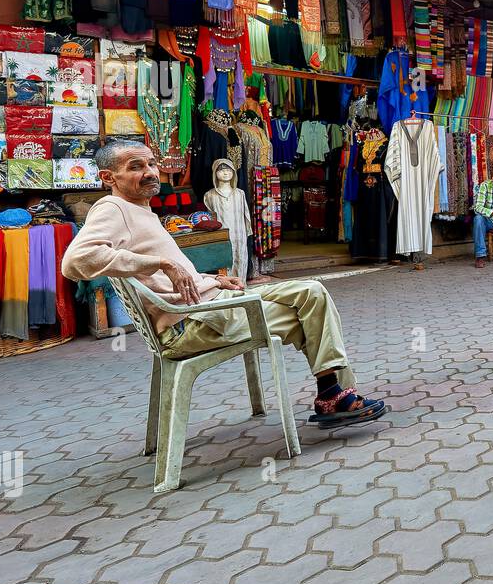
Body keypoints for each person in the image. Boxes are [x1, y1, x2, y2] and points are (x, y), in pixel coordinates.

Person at [62, 140, 386, 427]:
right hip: (191, 325)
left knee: (312, 292)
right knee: (309, 317)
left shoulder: (138, 210)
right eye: (136, 167)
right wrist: (160, 262)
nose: (149, 171)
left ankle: (333, 393)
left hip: (208, 306)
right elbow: (75, 262)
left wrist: (210, 279)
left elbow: (167, 276)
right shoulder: (112, 208)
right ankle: (334, 395)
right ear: (108, 178)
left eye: (151, 163)